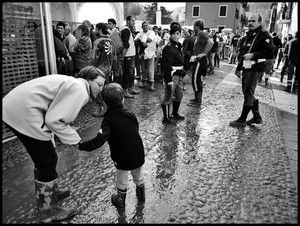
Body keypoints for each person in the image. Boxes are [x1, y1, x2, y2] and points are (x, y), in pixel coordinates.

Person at [2, 66, 106, 223]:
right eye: (99, 84)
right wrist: (77, 141)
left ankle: (50, 192)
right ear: (88, 79)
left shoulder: (74, 84)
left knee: (46, 155)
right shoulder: (80, 90)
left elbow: (52, 116)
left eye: (103, 85)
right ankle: (47, 210)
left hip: (15, 108)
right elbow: (55, 120)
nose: (101, 89)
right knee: (47, 159)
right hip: (24, 112)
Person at [78, 83, 145, 209]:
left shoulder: (108, 120)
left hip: (121, 157)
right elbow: (136, 129)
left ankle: (120, 200)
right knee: (138, 176)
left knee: (121, 178)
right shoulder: (130, 114)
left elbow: (99, 140)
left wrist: (81, 146)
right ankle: (141, 198)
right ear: (122, 99)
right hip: (138, 153)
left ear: (104, 102)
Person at [230, 13, 274, 127]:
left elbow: (270, 53)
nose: (250, 23)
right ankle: (256, 116)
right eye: (249, 21)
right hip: (246, 67)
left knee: (248, 92)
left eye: (253, 21)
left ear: (259, 22)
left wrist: (254, 55)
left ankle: (242, 119)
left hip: (256, 68)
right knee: (247, 92)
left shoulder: (264, 35)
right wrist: (239, 68)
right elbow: (243, 53)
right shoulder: (248, 35)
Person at [160, 22, 186, 124]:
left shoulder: (178, 45)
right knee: (168, 97)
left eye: (178, 33)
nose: (176, 36)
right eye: (174, 33)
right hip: (172, 75)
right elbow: (166, 65)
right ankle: (166, 117)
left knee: (179, 95)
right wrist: (168, 80)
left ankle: (175, 113)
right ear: (171, 34)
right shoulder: (168, 47)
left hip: (179, 75)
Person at [187, 19, 213, 107]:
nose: (193, 28)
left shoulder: (202, 34)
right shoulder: (198, 35)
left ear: (198, 26)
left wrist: (203, 53)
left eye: (194, 26)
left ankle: (198, 101)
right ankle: (196, 99)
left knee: (196, 80)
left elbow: (210, 42)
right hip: (196, 60)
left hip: (199, 61)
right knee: (196, 80)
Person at [120, 16, 140, 98]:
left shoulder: (128, 30)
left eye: (134, 22)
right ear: (128, 21)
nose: (133, 23)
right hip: (127, 56)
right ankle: (125, 91)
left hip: (131, 55)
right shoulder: (126, 30)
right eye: (132, 21)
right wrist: (122, 56)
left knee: (131, 73)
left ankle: (130, 88)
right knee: (127, 73)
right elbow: (126, 45)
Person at [135, 21, 156, 91]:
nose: (145, 27)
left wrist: (141, 40)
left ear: (148, 26)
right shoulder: (140, 33)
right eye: (143, 25)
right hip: (142, 53)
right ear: (142, 26)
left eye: (146, 25)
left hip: (150, 53)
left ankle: (151, 83)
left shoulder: (152, 33)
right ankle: (143, 82)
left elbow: (149, 40)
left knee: (150, 69)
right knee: (143, 69)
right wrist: (142, 41)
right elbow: (135, 40)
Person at [108, 18, 124, 85]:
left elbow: (118, 45)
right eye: (108, 23)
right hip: (116, 54)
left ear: (114, 25)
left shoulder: (115, 32)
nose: (108, 25)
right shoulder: (113, 32)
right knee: (117, 69)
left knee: (116, 69)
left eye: (110, 23)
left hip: (116, 54)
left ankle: (116, 84)